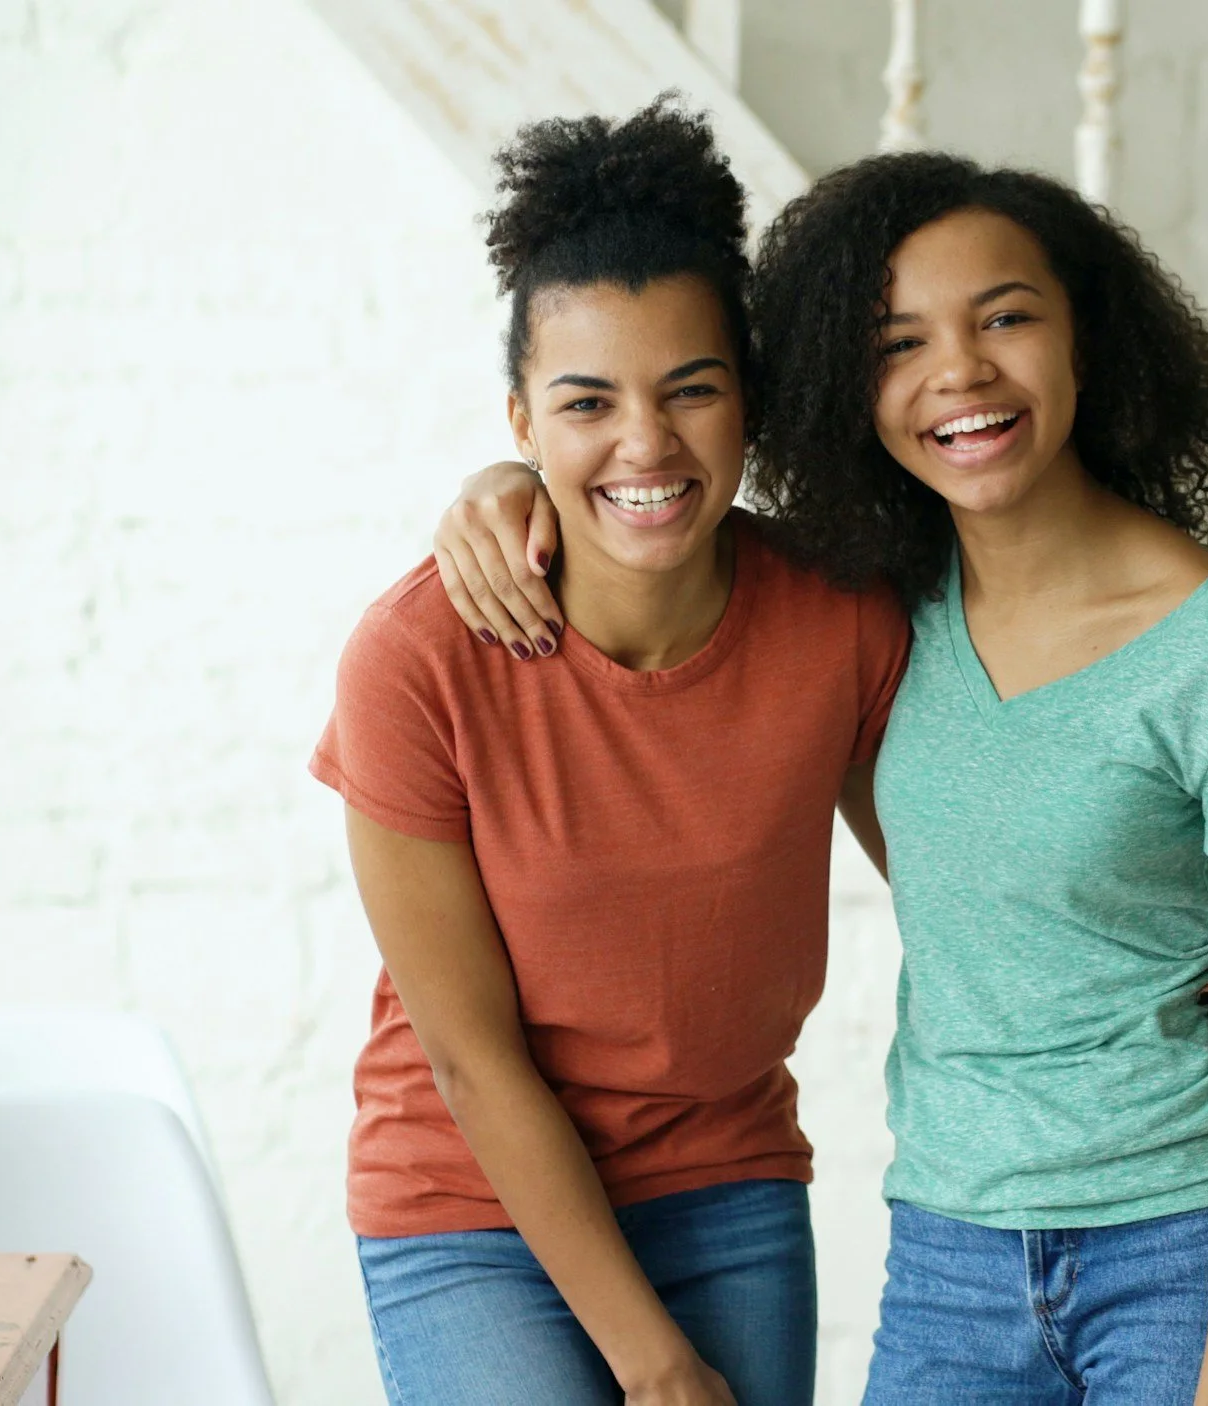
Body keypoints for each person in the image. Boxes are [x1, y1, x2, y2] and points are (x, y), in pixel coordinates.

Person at [438, 151, 1208, 1406]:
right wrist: (502, 491)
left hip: (1188, 1244)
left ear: (1087, 340)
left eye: (1006, 317)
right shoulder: (870, 612)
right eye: (899, 341)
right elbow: (640, 525)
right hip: (951, 1258)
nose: (960, 369)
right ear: (844, 388)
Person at [310, 101, 906, 1406]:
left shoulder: (839, 621)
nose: (646, 444)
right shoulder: (418, 661)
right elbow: (470, 1057)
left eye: (691, 389)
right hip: (469, 1201)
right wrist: (654, 1363)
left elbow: (958, 867)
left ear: (748, 397)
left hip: (725, 1181)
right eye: (588, 401)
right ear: (521, 412)